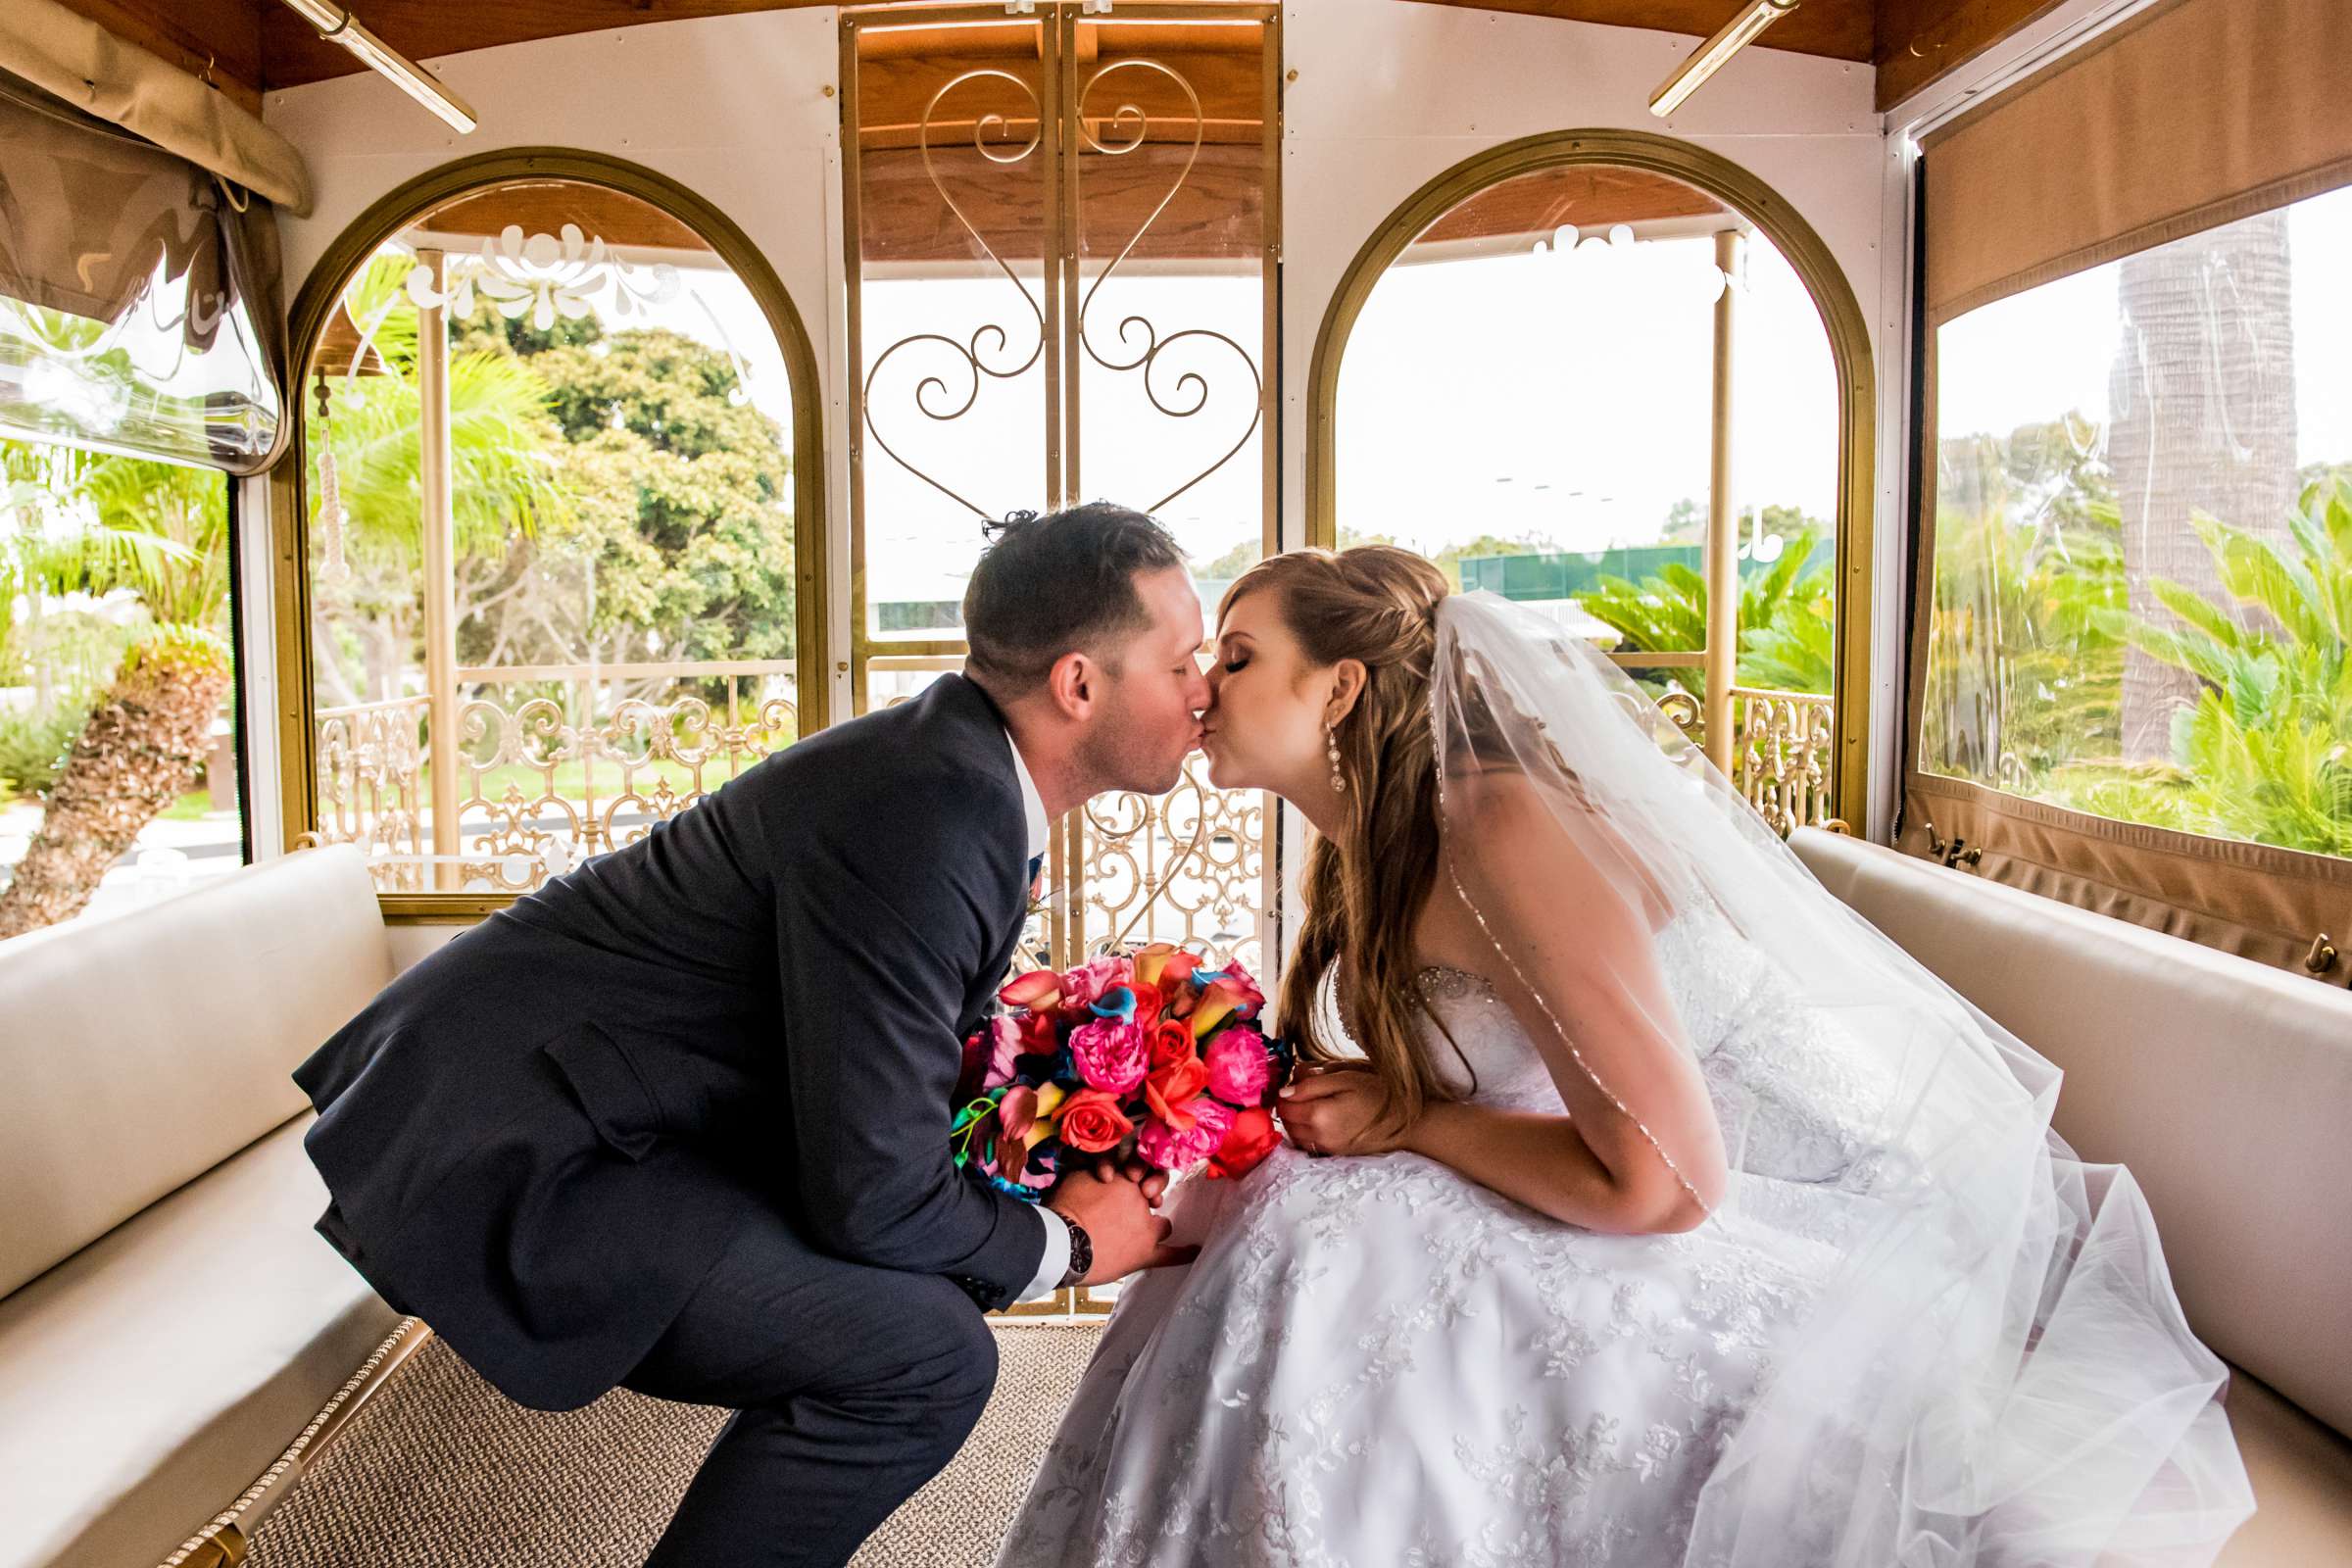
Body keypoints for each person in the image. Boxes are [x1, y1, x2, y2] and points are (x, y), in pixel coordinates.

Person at [996, 545, 2252, 1567]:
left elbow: (1668, 1181)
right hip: (1643, 1174)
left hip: (1820, 1207)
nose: (1204, 683)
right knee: (1300, 1227)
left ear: (1338, 691)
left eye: (1237, 652)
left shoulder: (1498, 824)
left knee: (1325, 1248)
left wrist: (1407, 1123)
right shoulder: (1366, 850)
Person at [294, 503, 1205, 1568]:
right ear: (1079, 684)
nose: (1204, 689)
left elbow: (877, 1111)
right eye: (1183, 659)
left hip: (608, 1112)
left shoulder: (950, 772)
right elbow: (873, 1190)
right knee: (922, 1356)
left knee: (913, 1305)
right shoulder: (934, 808)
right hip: (518, 1142)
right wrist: (1071, 1245)